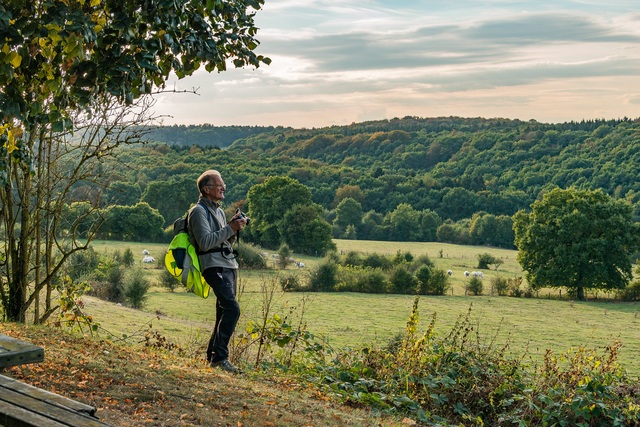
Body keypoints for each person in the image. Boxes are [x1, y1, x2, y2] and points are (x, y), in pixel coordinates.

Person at [188, 170, 247, 373]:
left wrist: (234, 227)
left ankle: (213, 356)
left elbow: (222, 240)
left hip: (229, 264)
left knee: (223, 311)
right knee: (232, 309)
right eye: (219, 185)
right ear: (206, 189)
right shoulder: (198, 212)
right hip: (213, 265)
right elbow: (205, 243)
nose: (224, 188)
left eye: (223, 184)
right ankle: (220, 358)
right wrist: (230, 228)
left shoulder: (220, 212)